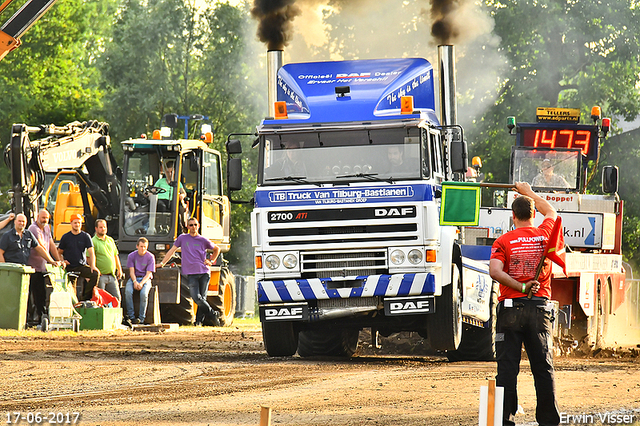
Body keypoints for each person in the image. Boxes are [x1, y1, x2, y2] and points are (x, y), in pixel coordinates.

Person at [489, 181, 561, 426]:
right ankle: (549, 421)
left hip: (510, 309)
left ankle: (503, 420)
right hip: (540, 310)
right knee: (543, 367)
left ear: (512, 215)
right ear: (533, 214)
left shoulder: (503, 241)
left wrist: (520, 287)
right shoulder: (546, 234)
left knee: (507, 369)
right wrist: (528, 192)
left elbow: (495, 271)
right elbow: (551, 211)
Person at [157, 217, 221, 326]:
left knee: (202, 298)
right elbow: (172, 251)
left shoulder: (203, 240)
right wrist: (162, 263)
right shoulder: (182, 238)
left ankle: (198, 322)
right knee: (196, 297)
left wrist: (211, 260)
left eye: (195, 225)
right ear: (187, 227)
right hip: (192, 274)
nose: (193, 227)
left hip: (204, 272)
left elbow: (217, 249)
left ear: (198, 226)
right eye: (191, 225)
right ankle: (213, 314)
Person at [27, 209, 63, 325]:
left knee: (41, 293)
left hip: (42, 267)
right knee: (34, 293)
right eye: (43, 218)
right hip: (33, 267)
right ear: (37, 217)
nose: (44, 220)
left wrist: (58, 260)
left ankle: (42, 316)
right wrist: (51, 261)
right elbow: (40, 247)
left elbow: (51, 244)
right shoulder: (34, 229)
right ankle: (34, 318)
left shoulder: (47, 228)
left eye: (46, 218)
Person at [58, 213, 100, 301]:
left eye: (79, 223)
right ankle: (74, 304)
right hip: (69, 267)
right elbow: (59, 252)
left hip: (81, 266)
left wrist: (93, 265)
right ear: (71, 223)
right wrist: (63, 261)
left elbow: (91, 252)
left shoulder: (85, 236)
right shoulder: (66, 237)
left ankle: (85, 298)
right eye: (75, 223)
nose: (77, 225)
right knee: (71, 291)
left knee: (95, 274)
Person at [124, 237, 155, 324]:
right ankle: (131, 317)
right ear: (137, 246)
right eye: (141, 246)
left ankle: (141, 318)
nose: (143, 249)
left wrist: (141, 283)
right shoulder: (131, 256)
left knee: (144, 294)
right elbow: (131, 271)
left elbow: (148, 274)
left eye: (145, 246)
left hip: (145, 279)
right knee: (128, 292)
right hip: (134, 277)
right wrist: (134, 282)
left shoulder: (150, 257)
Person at [92, 219, 123, 302]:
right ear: (96, 228)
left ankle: (117, 315)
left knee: (117, 298)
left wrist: (119, 269)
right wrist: (95, 270)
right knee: (101, 299)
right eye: (101, 227)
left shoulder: (110, 240)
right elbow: (89, 257)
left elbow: (115, 255)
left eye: (104, 227)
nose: (103, 229)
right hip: (101, 276)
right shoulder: (93, 241)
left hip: (112, 276)